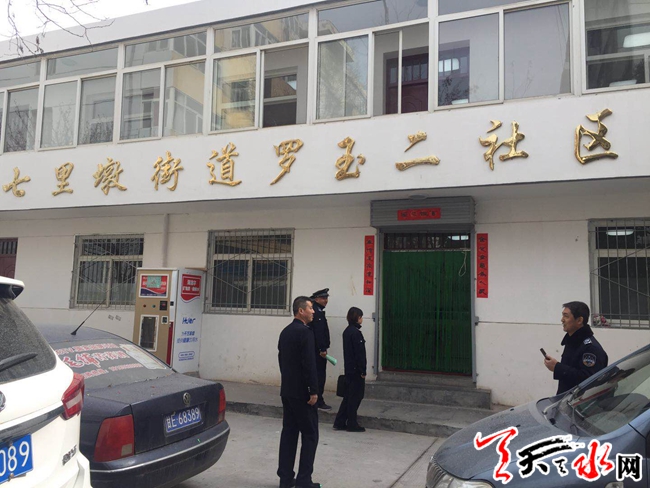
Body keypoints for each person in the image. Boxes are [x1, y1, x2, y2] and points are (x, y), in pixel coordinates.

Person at [277, 296, 321, 488]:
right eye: (310, 308)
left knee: (289, 433)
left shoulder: (285, 332)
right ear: (300, 311)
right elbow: (309, 364)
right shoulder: (305, 333)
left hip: (288, 391)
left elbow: (281, 361)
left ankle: (285, 479)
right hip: (303, 394)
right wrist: (313, 390)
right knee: (310, 435)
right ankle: (304, 480)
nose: (313, 311)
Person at [543, 301, 608, 395]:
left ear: (579, 320)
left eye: (566, 316)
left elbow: (588, 380)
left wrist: (557, 367)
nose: (562, 320)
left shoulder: (590, 348)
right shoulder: (572, 341)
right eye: (562, 315)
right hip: (566, 400)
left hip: (581, 402)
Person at [333, 306, 367, 433]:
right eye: (361, 317)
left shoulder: (347, 331)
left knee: (348, 397)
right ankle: (352, 423)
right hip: (356, 371)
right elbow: (359, 354)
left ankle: (340, 421)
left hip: (349, 369)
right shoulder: (355, 333)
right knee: (355, 397)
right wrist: (362, 370)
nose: (362, 319)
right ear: (357, 318)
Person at [309, 288, 331, 410]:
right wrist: (322, 349)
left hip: (317, 350)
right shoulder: (316, 312)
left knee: (318, 375)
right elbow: (319, 333)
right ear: (316, 299)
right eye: (323, 298)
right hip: (317, 351)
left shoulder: (318, 311)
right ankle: (318, 400)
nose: (326, 300)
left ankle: (317, 398)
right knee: (319, 375)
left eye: (326, 298)